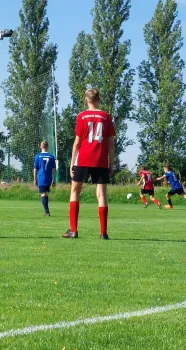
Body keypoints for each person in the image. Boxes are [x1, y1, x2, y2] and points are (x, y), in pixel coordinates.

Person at [63, 88, 115, 240]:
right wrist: (111, 162)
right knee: (101, 194)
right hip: (100, 160)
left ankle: (73, 230)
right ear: (98, 99)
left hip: (83, 158)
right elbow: (111, 143)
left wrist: (72, 162)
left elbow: (78, 141)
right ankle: (103, 233)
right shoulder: (106, 117)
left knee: (74, 191)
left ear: (86, 100)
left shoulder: (81, 116)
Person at [34, 141, 56, 216]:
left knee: (43, 193)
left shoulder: (38, 156)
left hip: (41, 177)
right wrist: (54, 179)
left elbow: (35, 169)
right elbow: (54, 169)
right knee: (44, 193)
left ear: (41, 146)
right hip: (49, 178)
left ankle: (47, 212)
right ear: (47, 147)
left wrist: (34, 179)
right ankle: (46, 211)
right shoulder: (51, 156)